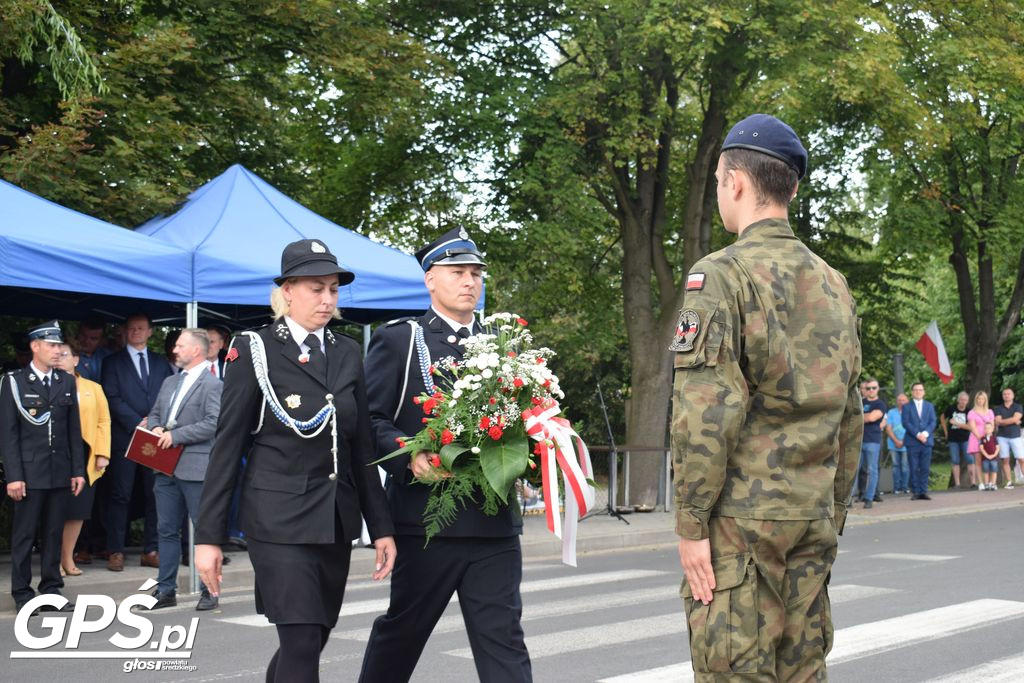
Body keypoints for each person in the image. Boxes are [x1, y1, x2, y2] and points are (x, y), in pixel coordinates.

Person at [671, 114, 861, 681]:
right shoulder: (834, 282)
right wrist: (834, 511)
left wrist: (690, 524)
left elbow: (706, 413)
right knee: (802, 670)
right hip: (811, 512)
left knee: (734, 670)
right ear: (793, 188)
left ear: (735, 183)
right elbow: (848, 414)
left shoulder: (721, 276)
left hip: (742, 520)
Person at [194, 239, 396, 682]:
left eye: (333, 290)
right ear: (287, 290)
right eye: (315, 288)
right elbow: (227, 448)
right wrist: (207, 537)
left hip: (335, 520)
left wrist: (380, 527)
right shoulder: (256, 349)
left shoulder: (346, 352)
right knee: (302, 639)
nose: (327, 299)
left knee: (313, 635)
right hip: (278, 520)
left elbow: (360, 446)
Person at [359, 228, 532, 683]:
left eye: (476, 273)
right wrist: (407, 457)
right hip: (425, 523)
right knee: (403, 634)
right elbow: (371, 419)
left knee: (504, 639)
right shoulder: (400, 339)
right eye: (458, 272)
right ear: (430, 280)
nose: (470, 282)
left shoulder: (503, 343)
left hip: (493, 525)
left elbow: (528, 414)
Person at [0, 321, 86, 615]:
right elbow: (9, 434)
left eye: (60, 345)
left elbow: (74, 430)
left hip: (60, 470)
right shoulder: (14, 381)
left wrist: (78, 470)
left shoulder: (65, 381)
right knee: (24, 535)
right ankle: (22, 592)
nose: (57, 351)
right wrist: (14, 476)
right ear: (35, 346)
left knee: (52, 532)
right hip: (29, 473)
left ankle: (51, 589)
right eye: (51, 345)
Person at [147, 329, 223, 610]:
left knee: (204, 531)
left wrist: (176, 436)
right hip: (164, 466)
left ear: (196, 350)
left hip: (195, 466)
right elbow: (155, 412)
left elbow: (214, 422)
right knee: (165, 529)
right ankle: (166, 590)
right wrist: (154, 427)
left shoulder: (213, 384)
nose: (175, 350)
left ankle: (209, 591)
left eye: (180, 346)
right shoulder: (169, 381)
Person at [101, 313, 174, 571]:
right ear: (124, 331)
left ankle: (151, 549)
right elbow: (111, 396)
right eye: (131, 328)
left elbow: (168, 395)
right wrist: (137, 422)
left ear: (150, 332)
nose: (136, 332)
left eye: (141, 328)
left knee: (154, 493)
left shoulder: (160, 363)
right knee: (120, 494)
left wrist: (153, 422)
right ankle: (116, 550)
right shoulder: (112, 362)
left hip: (155, 436)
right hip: (125, 436)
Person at [56, 341, 110, 577]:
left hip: (85, 454)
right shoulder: (47, 386)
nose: (59, 358)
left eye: (65, 354)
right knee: (55, 510)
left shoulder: (93, 387)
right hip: (56, 454)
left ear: (76, 360)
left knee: (77, 511)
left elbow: (103, 422)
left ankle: (67, 558)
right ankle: (52, 560)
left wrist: (102, 453)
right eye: (56, 355)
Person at [902, 382, 938, 500]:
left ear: (924, 392)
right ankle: (916, 491)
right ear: (912, 392)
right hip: (913, 441)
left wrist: (925, 434)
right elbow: (906, 423)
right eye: (916, 390)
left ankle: (924, 491)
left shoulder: (929, 406)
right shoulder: (907, 406)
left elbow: (933, 422)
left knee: (925, 467)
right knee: (914, 467)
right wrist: (918, 434)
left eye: (920, 390)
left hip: (926, 441)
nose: (918, 392)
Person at [859, 378, 886, 508]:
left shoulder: (880, 404)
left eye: (873, 388)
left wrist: (861, 417)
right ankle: (848, 500)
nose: (871, 390)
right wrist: (865, 417)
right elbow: (850, 417)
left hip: (873, 441)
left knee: (872, 470)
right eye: (868, 388)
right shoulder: (860, 402)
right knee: (854, 470)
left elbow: (871, 417)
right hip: (858, 440)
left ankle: (869, 498)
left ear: (878, 388)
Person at [941, 391, 975, 488]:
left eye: (965, 400)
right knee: (955, 460)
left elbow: (970, 427)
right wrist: (945, 431)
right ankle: (957, 484)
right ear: (958, 400)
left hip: (965, 439)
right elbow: (942, 418)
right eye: (962, 400)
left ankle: (973, 482)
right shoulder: (951, 408)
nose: (963, 402)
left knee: (970, 459)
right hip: (953, 439)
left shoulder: (969, 412)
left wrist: (957, 423)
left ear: (968, 401)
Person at [993, 388, 1022, 489]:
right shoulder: (998, 408)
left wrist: (1004, 421)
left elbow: (1015, 418)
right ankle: (1009, 482)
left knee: (1021, 459)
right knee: (1005, 460)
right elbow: (997, 421)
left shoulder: (1018, 407)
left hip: (1016, 436)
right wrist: (1013, 421)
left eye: (1009, 394)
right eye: (1004, 394)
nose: (1006, 395)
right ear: (1002, 396)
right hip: (1002, 437)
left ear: (1013, 395)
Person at [966, 391, 995, 492]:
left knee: (990, 460)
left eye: (982, 399)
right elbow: (972, 427)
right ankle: (981, 483)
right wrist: (981, 438)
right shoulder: (971, 413)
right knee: (978, 461)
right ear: (976, 400)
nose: (980, 400)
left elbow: (992, 426)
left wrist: (987, 438)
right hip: (976, 438)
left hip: (988, 439)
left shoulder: (990, 412)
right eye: (978, 398)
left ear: (985, 400)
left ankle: (990, 482)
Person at [885, 393, 910, 494]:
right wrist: (896, 441)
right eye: (899, 400)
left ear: (907, 401)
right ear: (897, 401)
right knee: (895, 466)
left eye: (903, 400)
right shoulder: (891, 412)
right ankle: (896, 488)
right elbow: (888, 428)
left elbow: (911, 427)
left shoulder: (910, 412)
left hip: (906, 443)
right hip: (893, 444)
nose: (901, 402)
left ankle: (905, 487)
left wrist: (903, 441)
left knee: (905, 466)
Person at [74, 316, 111, 383]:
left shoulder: (109, 357)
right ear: (78, 334)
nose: (87, 341)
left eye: (93, 338)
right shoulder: (66, 356)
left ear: (101, 340)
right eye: (83, 336)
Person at [979, 421, 1000, 490]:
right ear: (984, 430)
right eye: (986, 428)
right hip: (985, 458)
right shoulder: (982, 438)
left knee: (994, 471)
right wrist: (987, 455)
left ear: (992, 429)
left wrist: (994, 455)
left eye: (989, 428)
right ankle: (987, 484)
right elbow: (981, 448)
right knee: (986, 471)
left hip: (994, 458)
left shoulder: (994, 438)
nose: (987, 429)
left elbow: (998, 448)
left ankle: (993, 484)